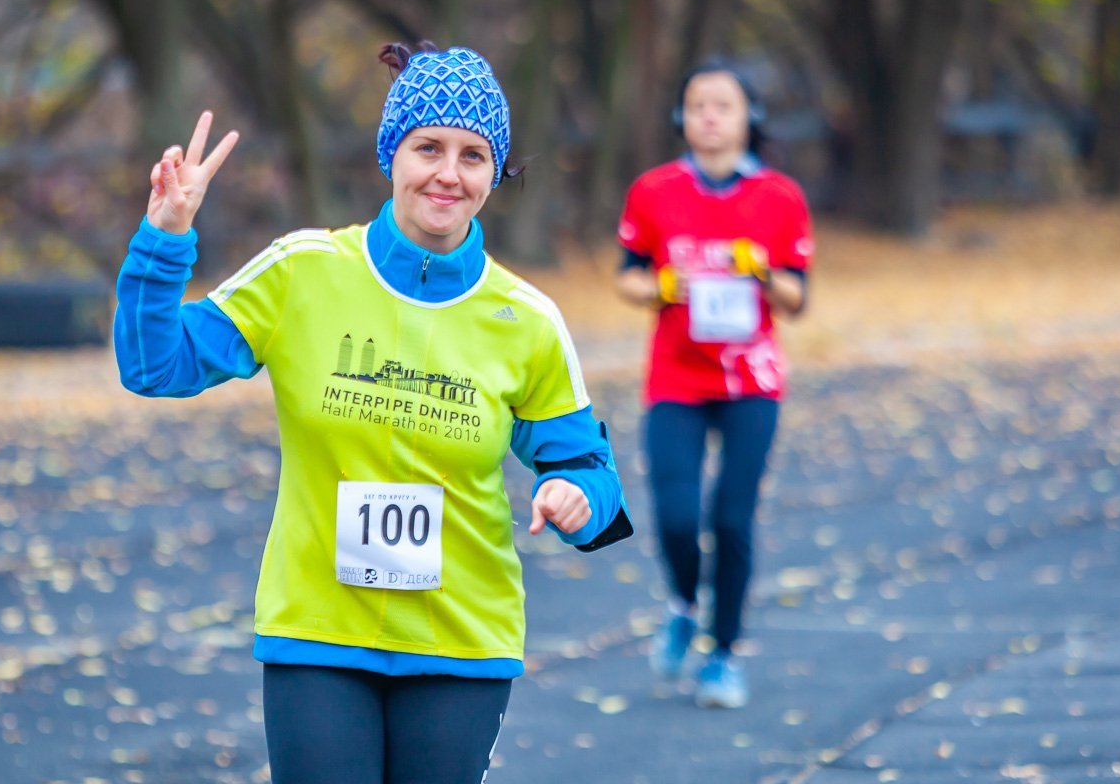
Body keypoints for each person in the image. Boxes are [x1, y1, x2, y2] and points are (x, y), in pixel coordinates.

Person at [114, 41, 631, 784]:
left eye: (473, 155)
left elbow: (589, 467)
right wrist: (163, 241)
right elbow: (152, 365)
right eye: (428, 147)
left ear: (496, 173)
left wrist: (579, 494)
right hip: (317, 633)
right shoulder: (303, 270)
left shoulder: (528, 318)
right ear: (391, 153)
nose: (448, 173)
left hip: (462, 639)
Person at [614, 56, 812, 709]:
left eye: (722, 105)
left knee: (731, 519)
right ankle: (681, 603)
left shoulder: (780, 197)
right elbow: (628, 275)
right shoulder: (654, 191)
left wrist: (760, 274)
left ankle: (723, 656)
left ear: (747, 117)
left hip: (751, 381)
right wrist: (666, 285)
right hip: (675, 376)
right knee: (674, 516)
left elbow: (796, 297)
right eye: (697, 105)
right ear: (681, 117)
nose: (708, 116)